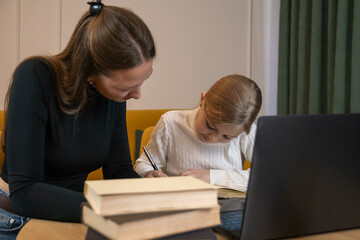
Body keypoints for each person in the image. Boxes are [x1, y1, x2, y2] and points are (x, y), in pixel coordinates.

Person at [0, 1, 156, 239]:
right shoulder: (35, 76)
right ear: (91, 72)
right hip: (14, 215)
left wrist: (153, 192)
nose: (137, 94)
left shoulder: (110, 96)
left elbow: (118, 171)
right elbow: (25, 192)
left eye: (142, 81)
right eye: (127, 87)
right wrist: (108, 209)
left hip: (74, 214)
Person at [134, 74, 262, 191]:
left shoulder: (246, 131)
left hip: (228, 209)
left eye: (227, 137)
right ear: (202, 100)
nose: (213, 137)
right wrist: (148, 173)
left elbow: (270, 174)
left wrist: (212, 177)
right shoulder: (170, 123)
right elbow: (143, 164)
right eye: (210, 126)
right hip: (181, 206)